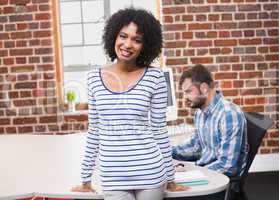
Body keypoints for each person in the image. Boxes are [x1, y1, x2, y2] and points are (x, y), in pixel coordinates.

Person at [71, 8, 188, 200]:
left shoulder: (155, 77)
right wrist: (85, 179)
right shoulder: (93, 78)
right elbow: (94, 131)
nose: (128, 44)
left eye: (137, 39)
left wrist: (171, 178)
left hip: (150, 173)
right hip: (112, 176)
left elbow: (159, 130)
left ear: (146, 45)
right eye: (123, 36)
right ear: (113, 37)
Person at [172, 64, 249, 178]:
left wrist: (190, 174)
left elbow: (226, 166)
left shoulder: (228, 114)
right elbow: (196, 147)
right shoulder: (200, 112)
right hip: (206, 171)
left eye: (188, 91)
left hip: (220, 182)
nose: (185, 97)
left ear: (204, 88)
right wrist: (165, 152)